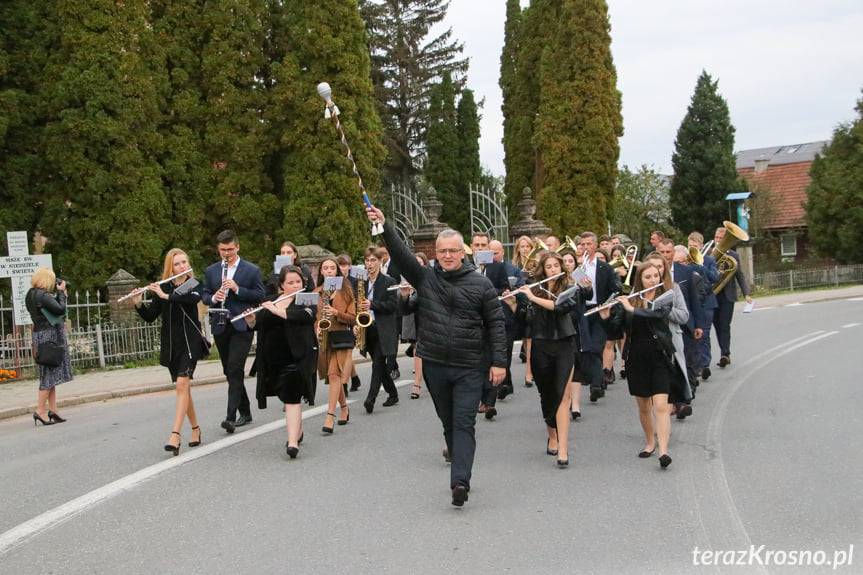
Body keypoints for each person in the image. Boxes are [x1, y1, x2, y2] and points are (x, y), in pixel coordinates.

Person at [367, 204, 506, 507]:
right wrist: (384, 225)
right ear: (436, 253)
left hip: (469, 365)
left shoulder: (481, 284)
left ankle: (460, 482)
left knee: (464, 423)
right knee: (447, 419)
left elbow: (496, 323)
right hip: (435, 363)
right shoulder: (426, 278)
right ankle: (456, 456)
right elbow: (402, 255)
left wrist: (499, 363)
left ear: (463, 252)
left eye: (452, 251)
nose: (447, 256)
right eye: (442, 251)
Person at [599, 262, 688, 469]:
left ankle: (664, 450)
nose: (653, 280)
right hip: (636, 358)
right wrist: (605, 318)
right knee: (644, 406)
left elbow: (658, 315)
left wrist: (633, 309)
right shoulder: (629, 300)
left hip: (660, 357)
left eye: (656, 276)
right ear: (640, 280)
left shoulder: (665, 298)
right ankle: (650, 442)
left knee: (661, 406)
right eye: (648, 277)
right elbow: (615, 332)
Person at [505, 252, 579, 467]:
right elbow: (526, 319)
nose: (554, 269)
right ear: (543, 270)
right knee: (547, 395)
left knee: (563, 396)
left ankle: (563, 448)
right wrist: (513, 304)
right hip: (540, 344)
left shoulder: (569, 287)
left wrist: (533, 298)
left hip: (564, 343)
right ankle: (552, 435)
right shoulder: (535, 288)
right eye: (549, 266)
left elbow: (561, 308)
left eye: (557, 265)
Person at [133, 249, 207, 454]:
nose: (182, 266)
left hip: (190, 341)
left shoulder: (194, 284)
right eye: (177, 264)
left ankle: (175, 434)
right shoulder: (163, 287)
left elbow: (190, 300)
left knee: (183, 384)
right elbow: (150, 316)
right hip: (172, 344)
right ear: (170, 267)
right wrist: (139, 303)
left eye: (185, 262)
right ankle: (196, 429)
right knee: (184, 388)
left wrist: (165, 295)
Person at [244, 266, 317, 458]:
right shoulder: (271, 301)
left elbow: (306, 317)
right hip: (273, 359)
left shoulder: (307, 299)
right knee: (286, 397)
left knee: (292, 399)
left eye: (298, 282)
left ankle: (292, 443)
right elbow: (259, 325)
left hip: (297, 358)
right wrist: (251, 320)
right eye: (290, 283)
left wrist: (276, 311)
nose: (295, 286)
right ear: (282, 285)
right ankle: (297, 431)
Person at [202, 230, 265, 434]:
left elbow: (260, 295)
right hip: (220, 324)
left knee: (235, 366)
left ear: (237, 247)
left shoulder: (251, 270)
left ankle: (230, 416)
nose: (226, 254)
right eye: (222, 250)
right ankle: (245, 411)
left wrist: (238, 289)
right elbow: (204, 295)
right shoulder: (212, 271)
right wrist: (213, 297)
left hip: (241, 324)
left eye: (230, 249)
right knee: (230, 371)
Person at [26, 267, 73, 426]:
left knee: (50, 372)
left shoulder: (30, 294)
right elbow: (60, 309)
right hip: (50, 335)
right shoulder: (43, 295)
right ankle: (40, 410)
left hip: (40, 334)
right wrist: (62, 293)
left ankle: (53, 409)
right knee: (48, 374)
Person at [314, 257, 355, 433]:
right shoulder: (317, 292)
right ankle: (344, 408)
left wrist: (337, 312)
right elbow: (314, 317)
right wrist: (317, 328)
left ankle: (330, 416)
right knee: (332, 377)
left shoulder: (346, 291)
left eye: (332, 268)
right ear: (321, 272)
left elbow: (353, 317)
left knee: (334, 373)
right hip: (325, 338)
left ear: (337, 271)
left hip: (341, 337)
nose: (329, 271)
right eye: (325, 268)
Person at [579, 231, 622, 402]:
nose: (586, 247)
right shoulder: (578, 267)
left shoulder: (606, 268)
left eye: (589, 244)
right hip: (583, 310)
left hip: (600, 310)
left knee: (597, 347)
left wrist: (609, 305)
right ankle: (596, 381)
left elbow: (615, 289)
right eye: (583, 244)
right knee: (587, 348)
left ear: (595, 245)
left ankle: (596, 385)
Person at [360, 247, 400, 413]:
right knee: (380, 366)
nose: (370, 264)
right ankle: (393, 393)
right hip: (367, 328)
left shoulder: (389, 281)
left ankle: (371, 398)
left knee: (377, 363)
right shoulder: (362, 282)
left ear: (380, 261)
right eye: (368, 261)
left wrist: (372, 305)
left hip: (382, 328)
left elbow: (392, 306)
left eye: (373, 260)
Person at [712, 226, 753, 368]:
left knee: (724, 325)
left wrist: (747, 293)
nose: (717, 240)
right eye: (716, 237)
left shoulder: (733, 256)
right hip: (713, 295)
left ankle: (725, 354)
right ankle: (723, 351)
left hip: (727, 296)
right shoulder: (708, 254)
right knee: (716, 325)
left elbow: (739, 274)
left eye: (720, 238)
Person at [490, 240, 525, 401]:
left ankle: (504, 383)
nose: (493, 257)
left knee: (505, 352)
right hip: (489, 317)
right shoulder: (484, 270)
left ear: (503, 252)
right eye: (490, 253)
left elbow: (521, 289)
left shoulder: (513, 269)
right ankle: (504, 384)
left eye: (496, 253)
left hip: (507, 316)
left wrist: (510, 293)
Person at [687, 232, 719, 380]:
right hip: (692, 302)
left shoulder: (709, 260)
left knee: (704, 334)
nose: (692, 248)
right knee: (693, 334)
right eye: (690, 246)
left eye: (694, 246)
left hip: (707, 302)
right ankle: (695, 363)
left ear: (701, 246)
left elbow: (715, 278)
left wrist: (700, 265)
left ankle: (704, 364)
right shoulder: (684, 260)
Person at [336, 253, 363, 394]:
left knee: (347, 353)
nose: (342, 268)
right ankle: (355, 377)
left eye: (345, 265)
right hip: (339, 320)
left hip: (352, 319)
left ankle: (344, 384)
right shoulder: (334, 281)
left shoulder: (355, 281)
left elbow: (358, 303)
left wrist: (357, 323)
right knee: (345, 353)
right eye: (340, 265)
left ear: (349, 266)